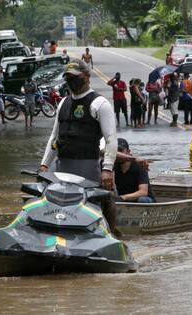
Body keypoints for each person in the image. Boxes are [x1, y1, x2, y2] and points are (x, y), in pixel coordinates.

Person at [38, 61, 118, 234]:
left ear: (87, 77)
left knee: (106, 199)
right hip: (63, 168)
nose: (71, 81)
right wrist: (44, 165)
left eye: (75, 77)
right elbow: (54, 137)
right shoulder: (63, 103)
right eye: (68, 78)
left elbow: (111, 139)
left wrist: (107, 169)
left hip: (89, 168)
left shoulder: (100, 103)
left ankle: (112, 235)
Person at [114, 138, 155, 203]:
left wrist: (123, 197)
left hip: (144, 200)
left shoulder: (139, 165)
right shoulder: (111, 167)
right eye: (115, 152)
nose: (118, 155)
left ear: (128, 151)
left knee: (142, 200)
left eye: (120, 150)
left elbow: (143, 192)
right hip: (123, 201)